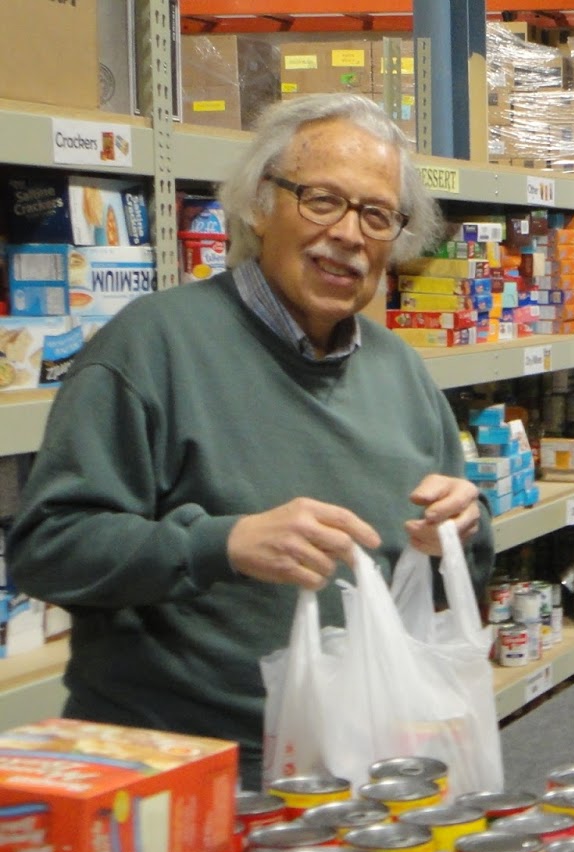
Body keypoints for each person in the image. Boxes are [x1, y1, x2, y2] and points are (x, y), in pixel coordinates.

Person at [6, 94, 493, 786]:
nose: (350, 235)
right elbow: (49, 551)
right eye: (323, 201)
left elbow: (460, 578)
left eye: (377, 215)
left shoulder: (402, 372)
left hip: (362, 760)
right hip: (183, 772)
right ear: (261, 204)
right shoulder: (152, 346)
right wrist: (221, 545)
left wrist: (461, 532)